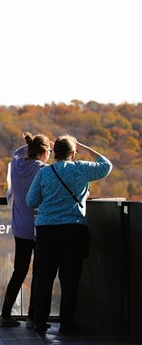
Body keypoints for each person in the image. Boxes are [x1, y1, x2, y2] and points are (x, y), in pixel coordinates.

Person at [26, 135, 112, 334]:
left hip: (46, 230)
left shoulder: (44, 173)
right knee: (70, 278)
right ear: (73, 153)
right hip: (72, 229)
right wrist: (84, 146)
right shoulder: (81, 168)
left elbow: (31, 201)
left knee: (44, 277)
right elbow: (106, 165)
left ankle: (39, 321)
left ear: (54, 152)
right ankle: (67, 322)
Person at [0, 132, 51, 328]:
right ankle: (32, 317)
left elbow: (16, 153)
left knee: (19, 271)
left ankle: (5, 314)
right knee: (39, 273)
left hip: (19, 227)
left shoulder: (15, 166)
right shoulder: (43, 170)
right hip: (39, 227)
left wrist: (30, 144)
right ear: (44, 151)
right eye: (50, 151)